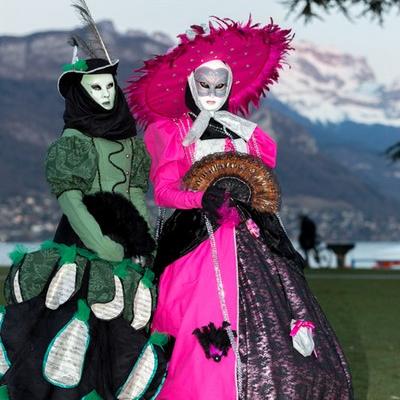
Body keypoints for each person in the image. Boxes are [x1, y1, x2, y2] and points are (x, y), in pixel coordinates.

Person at [127, 18, 353, 400]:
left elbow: (262, 170)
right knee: (204, 328)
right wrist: (202, 198)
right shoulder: (172, 130)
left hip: (251, 238)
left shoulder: (240, 129)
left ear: (230, 87)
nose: (212, 93)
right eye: (204, 85)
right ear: (189, 85)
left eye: (220, 86)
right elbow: (165, 192)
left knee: (278, 326)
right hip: (196, 243)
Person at [0, 5, 166, 399]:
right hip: (79, 245)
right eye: (97, 88)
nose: (106, 95)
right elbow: (72, 201)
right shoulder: (73, 143)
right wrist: (102, 244)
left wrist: (142, 245)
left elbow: (132, 195)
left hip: (124, 248)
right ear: (80, 93)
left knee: (122, 333)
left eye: (110, 87)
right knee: (66, 331)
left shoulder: (130, 144)